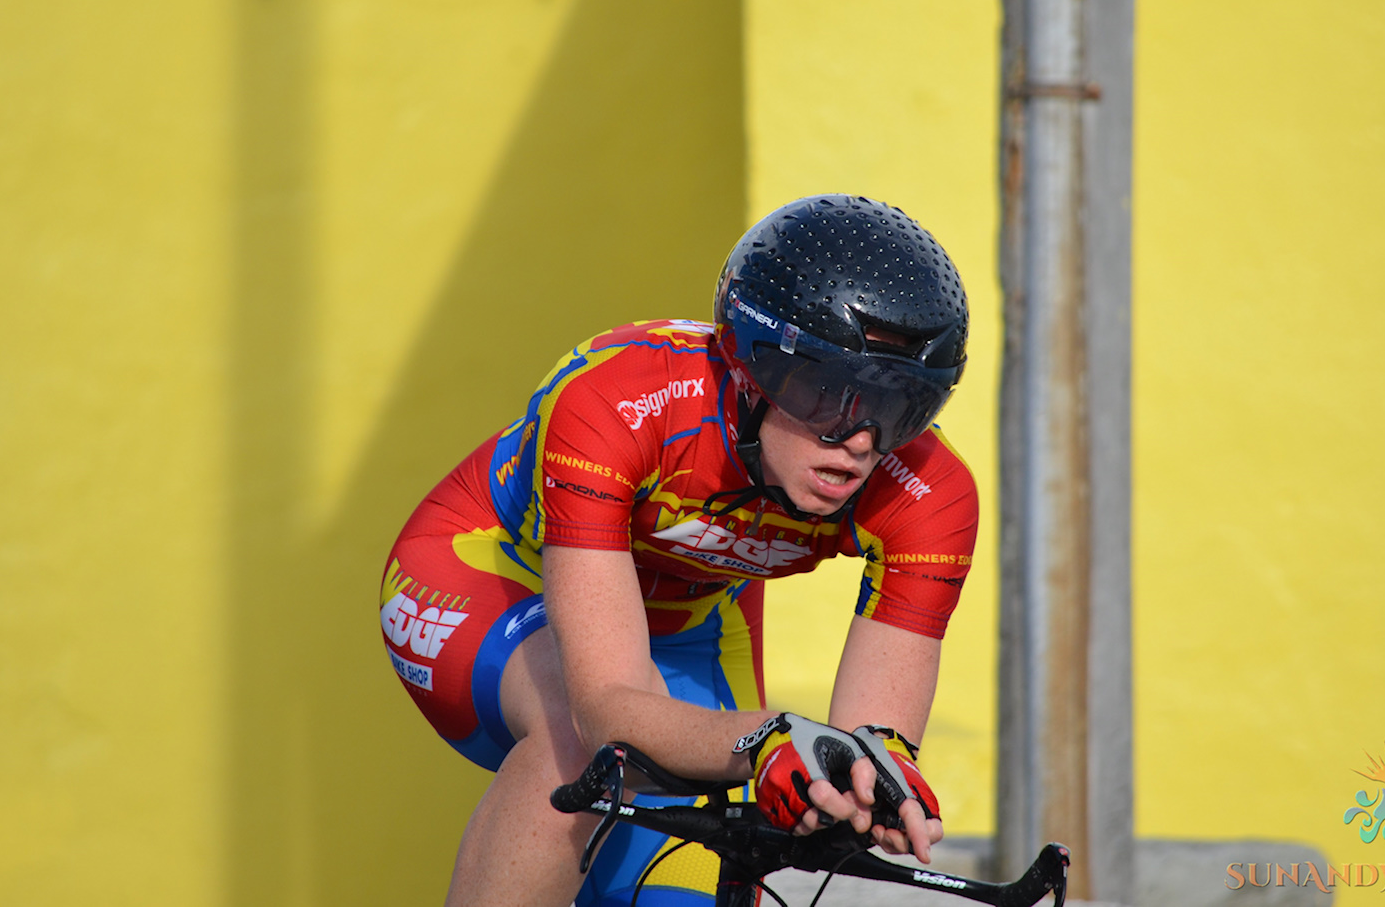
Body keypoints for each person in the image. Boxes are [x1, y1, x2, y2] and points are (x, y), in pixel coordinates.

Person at [380, 194, 978, 906]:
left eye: (898, 407)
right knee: (583, 746)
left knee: (715, 870)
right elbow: (607, 703)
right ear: (748, 364)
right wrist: (762, 739)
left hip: (691, 618)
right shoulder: (619, 399)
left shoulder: (929, 494)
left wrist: (862, 784)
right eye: (827, 392)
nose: (859, 441)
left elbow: (866, 741)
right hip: (496, 574)